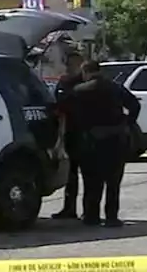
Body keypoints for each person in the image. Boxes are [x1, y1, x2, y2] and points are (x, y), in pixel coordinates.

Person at [56, 59, 141, 227]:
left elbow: (65, 109)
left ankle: (91, 216)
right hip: (116, 138)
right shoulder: (115, 87)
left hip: (91, 140)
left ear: (85, 72)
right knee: (113, 181)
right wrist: (127, 122)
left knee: (92, 181)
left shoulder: (79, 91)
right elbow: (135, 105)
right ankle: (111, 217)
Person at [51, 49, 85, 220]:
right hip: (70, 132)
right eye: (68, 64)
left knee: (89, 174)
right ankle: (69, 208)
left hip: (85, 133)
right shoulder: (64, 82)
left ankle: (89, 211)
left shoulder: (84, 83)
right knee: (71, 174)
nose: (69, 67)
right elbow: (57, 106)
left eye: (73, 64)